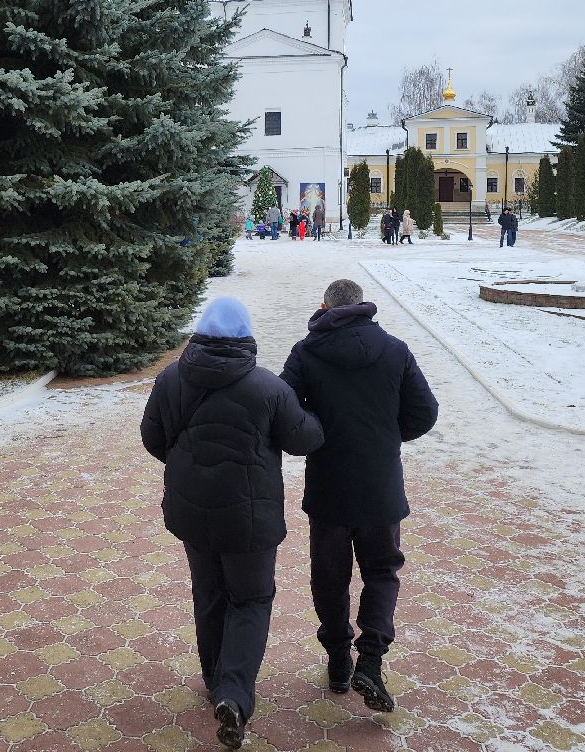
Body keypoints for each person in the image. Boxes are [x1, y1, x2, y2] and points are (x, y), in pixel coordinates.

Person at [141, 297, 324, 749]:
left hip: (192, 511)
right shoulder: (267, 388)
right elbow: (304, 439)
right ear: (246, 337)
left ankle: (213, 678)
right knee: (251, 597)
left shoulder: (170, 379)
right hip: (250, 518)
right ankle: (235, 695)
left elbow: (152, 437)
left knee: (208, 591)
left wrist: (188, 465)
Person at [279, 279, 438, 715]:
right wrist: (387, 437)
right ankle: (370, 658)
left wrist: (318, 435)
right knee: (382, 571)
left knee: (329, 576)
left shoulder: (307, 351)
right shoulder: (395, 349)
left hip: (329, 486)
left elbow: (283, 411)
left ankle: (338, 661)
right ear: (363, 306)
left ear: (325, 305)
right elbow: (425, 412)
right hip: (380, 486)